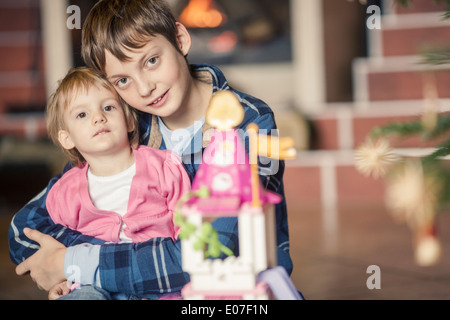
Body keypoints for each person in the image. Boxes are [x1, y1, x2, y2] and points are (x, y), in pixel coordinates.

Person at [9, 0, 293, 300]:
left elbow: (207, 256)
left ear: (180, 40)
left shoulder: (249, 123)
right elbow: (22, 231)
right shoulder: (127, 125)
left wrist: (74, 262)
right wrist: (80, 262)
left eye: (151, 61)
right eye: (122, 80)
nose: (144, 88)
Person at [44, 66, 190, 299]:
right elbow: (59, 242)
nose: (98, 117)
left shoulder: (163, 166)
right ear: (67, 138)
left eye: (108, 108)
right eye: (82, 114)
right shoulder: (65, 192)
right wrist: (65, 278)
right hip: (93, 282)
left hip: (156, 280)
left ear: (129, 121)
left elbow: (188, 223)